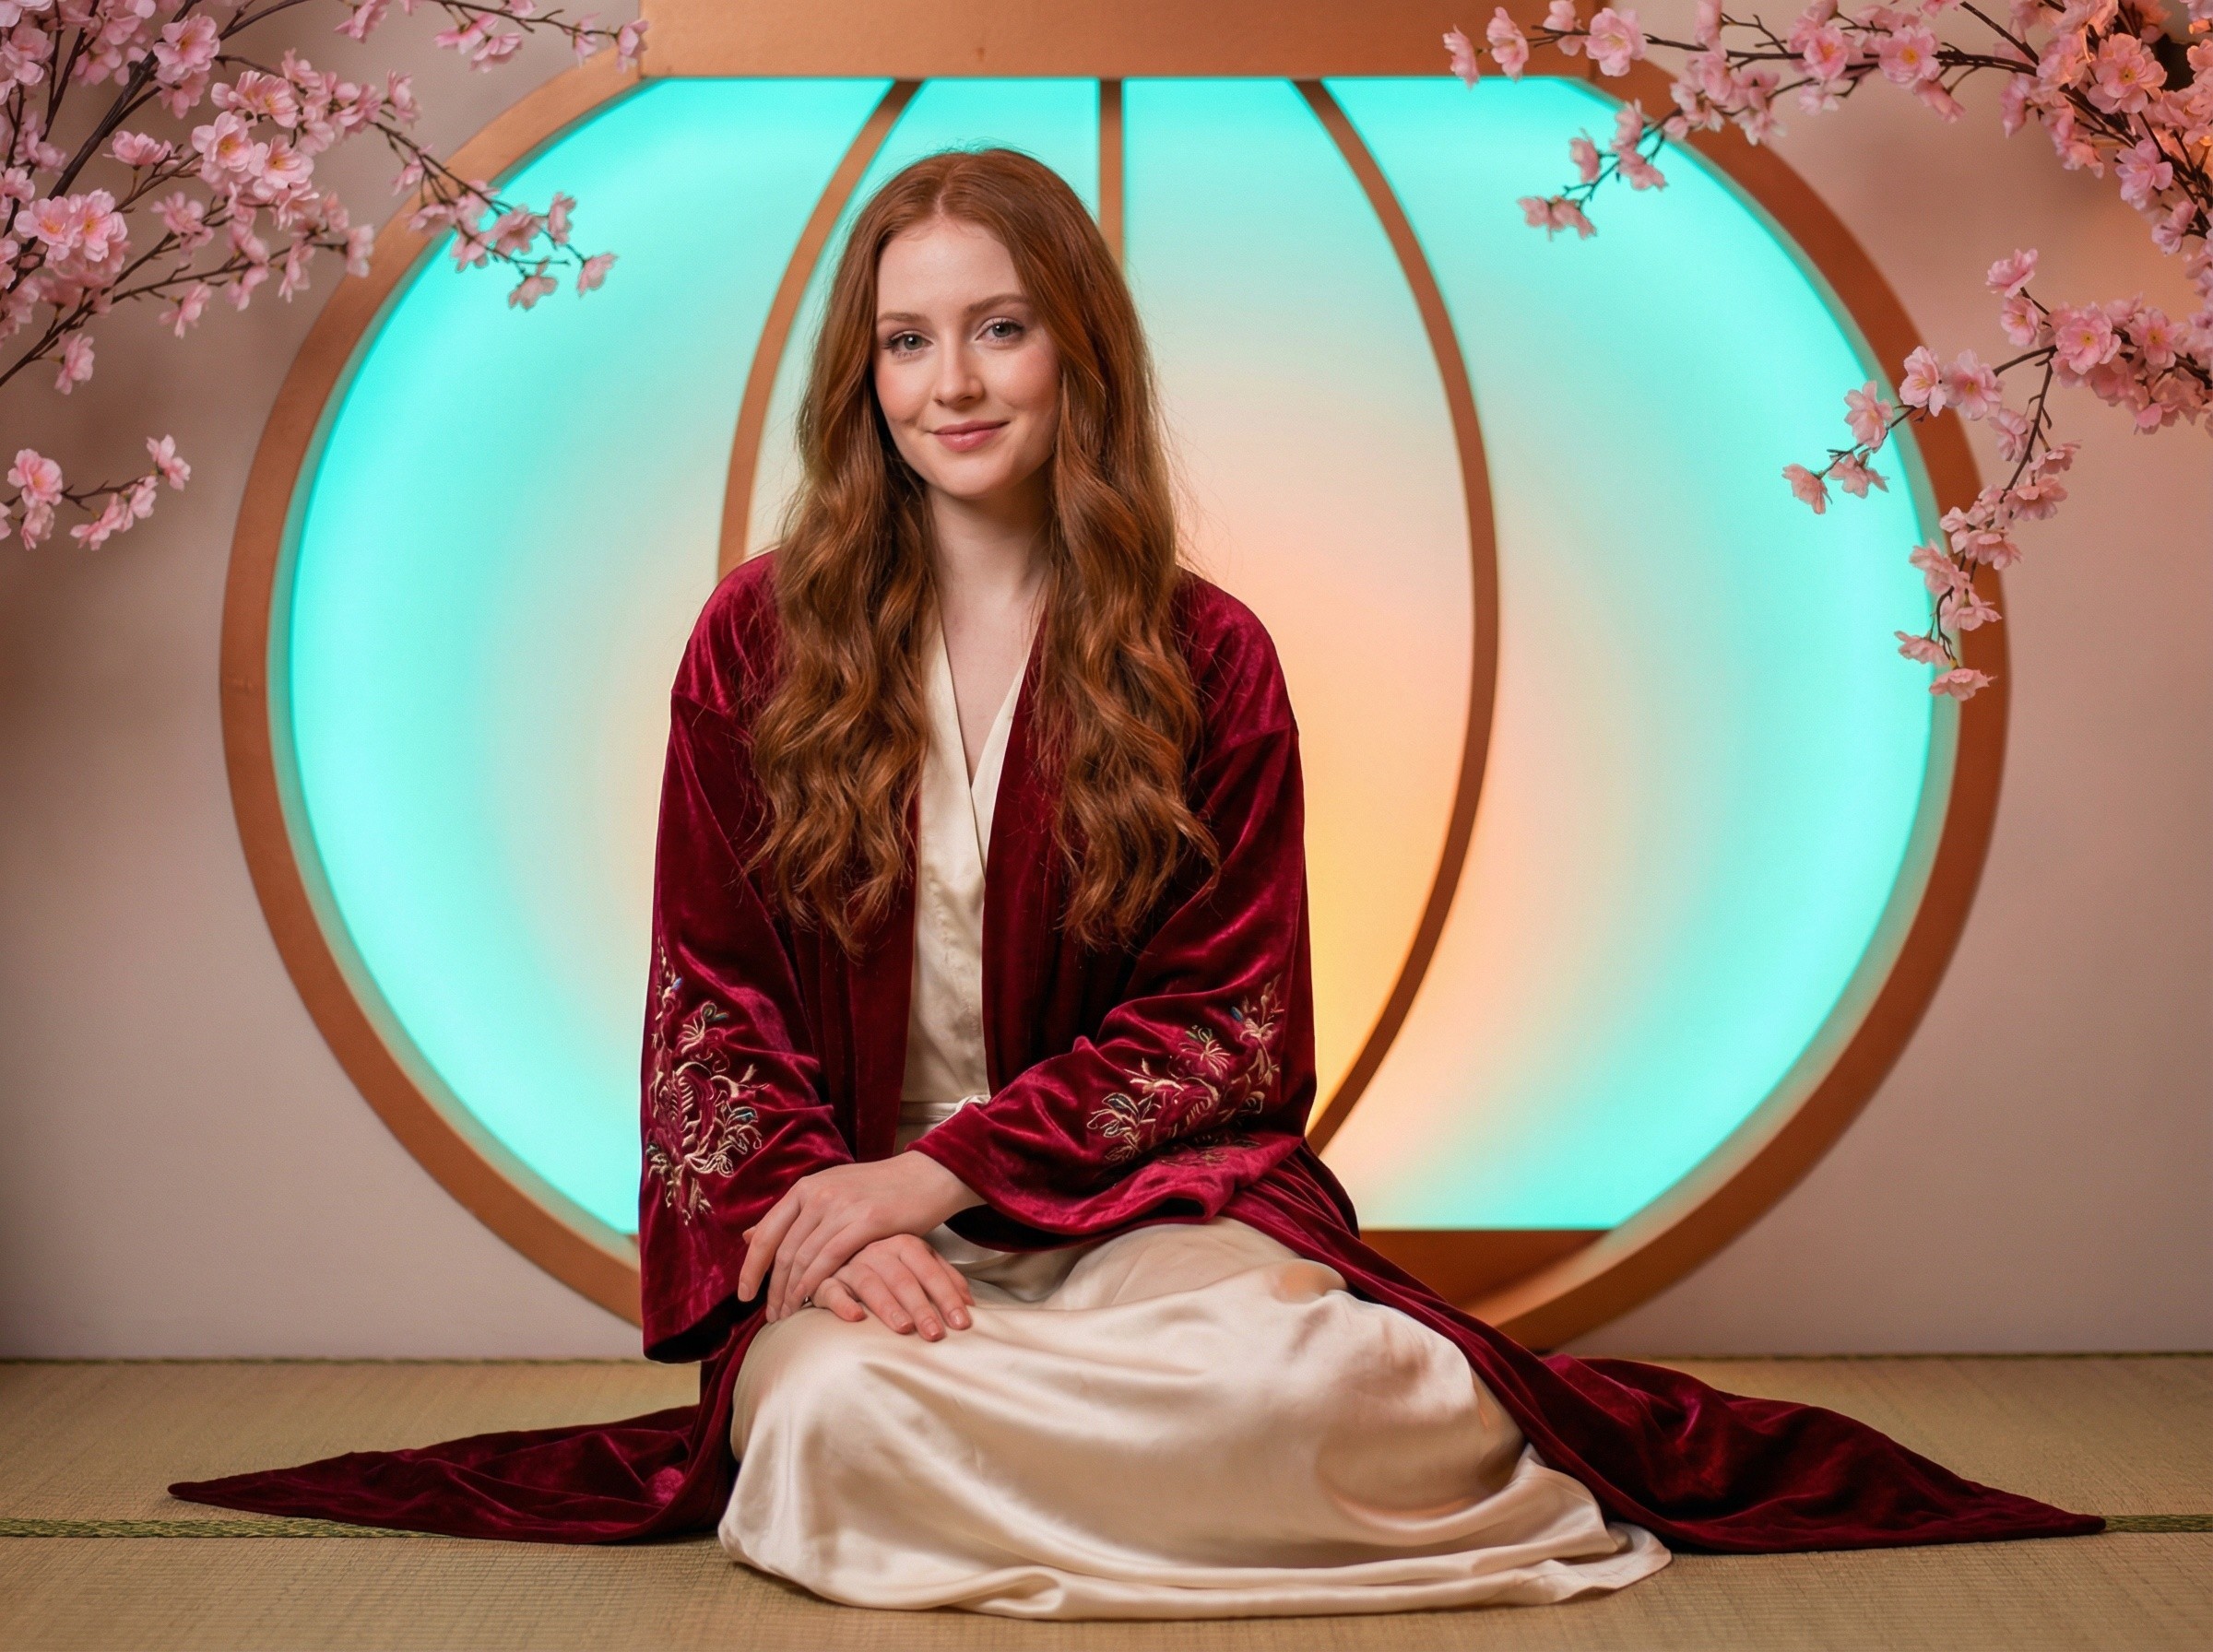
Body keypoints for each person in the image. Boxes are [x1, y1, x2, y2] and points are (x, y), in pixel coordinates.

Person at [173, 148, 2099, 1616]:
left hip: (1144, 1214)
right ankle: (1125, 1495)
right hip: (856, 1228)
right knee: (828, 1411)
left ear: (1076, 351)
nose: (951, 381)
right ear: (862, 374)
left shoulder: (1207, 653)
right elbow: (711, 1003)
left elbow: (1228, 1026)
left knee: (1372, 1384)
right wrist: (838, 1220)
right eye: (907, 339)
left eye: (999, 328)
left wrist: (942, 1171)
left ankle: (1049, 1488)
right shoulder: (754, 643)